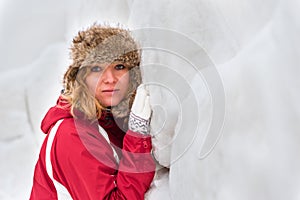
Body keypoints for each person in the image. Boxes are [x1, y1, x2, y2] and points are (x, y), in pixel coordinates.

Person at [30, 24, 155, 199]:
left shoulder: (109, 122)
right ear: (81, 78)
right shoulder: (72, 134)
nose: (110, 79)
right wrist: (137, 135)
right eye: (96, 68)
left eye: (119, 66)